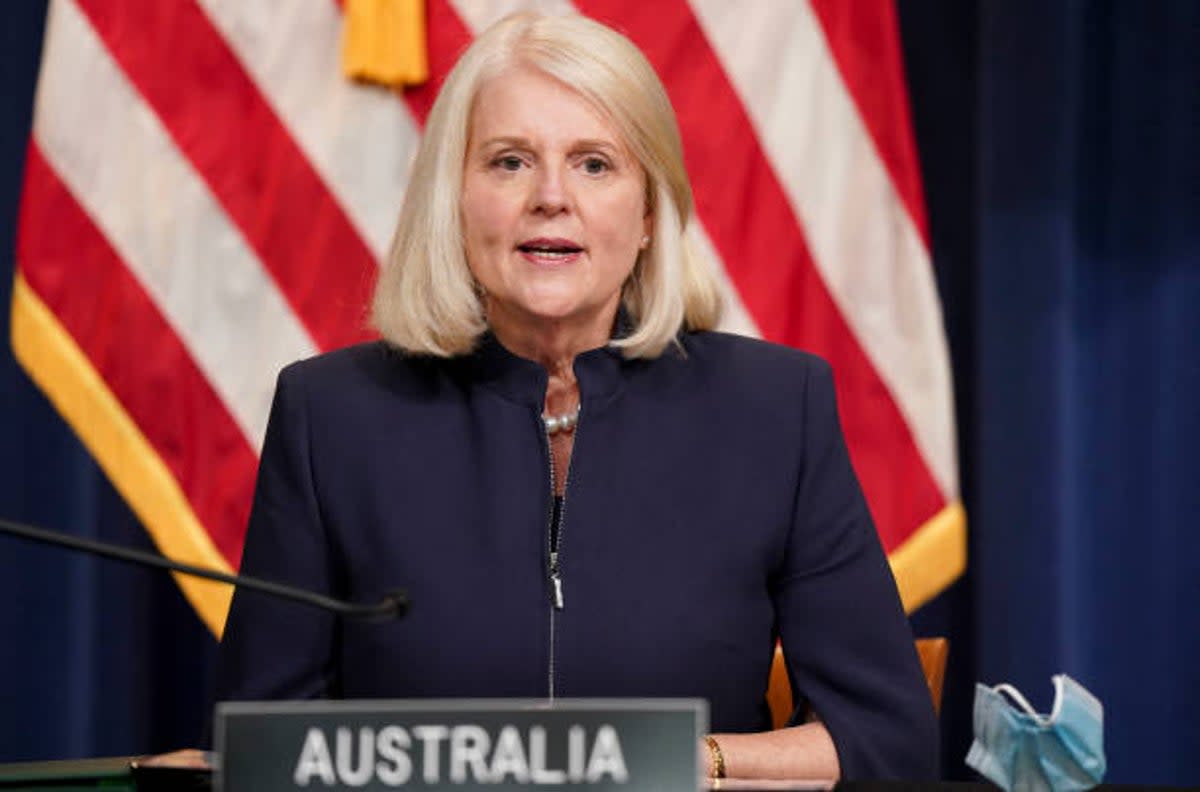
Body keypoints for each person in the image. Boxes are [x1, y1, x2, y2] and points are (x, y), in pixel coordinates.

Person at [215, 11, 938, 782]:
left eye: (595, 164)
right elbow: (254, 748)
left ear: (651, 213)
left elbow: (886, 739)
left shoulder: (772, 411)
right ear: (452, 201)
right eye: (509, 162)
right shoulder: (332, 418)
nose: (551, 196)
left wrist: (684, 765)